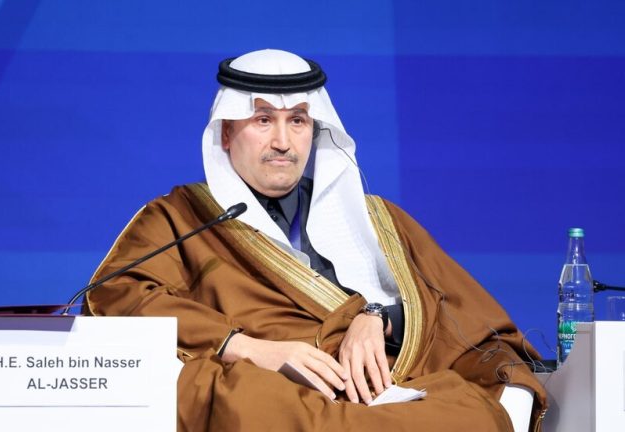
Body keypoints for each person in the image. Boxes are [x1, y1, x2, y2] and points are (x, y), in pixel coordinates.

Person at [84, 49, 547, 431]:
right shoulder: (181, 218)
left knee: (470, 411)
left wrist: (377, 318)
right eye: (263, 120)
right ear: (226, 132)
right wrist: (248, 347)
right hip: (284, 396)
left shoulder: (379, 218)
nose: (283, 142)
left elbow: (461, 317)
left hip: (393, 390)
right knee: (252, 402)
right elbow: (118, 295)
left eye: (298, 121)